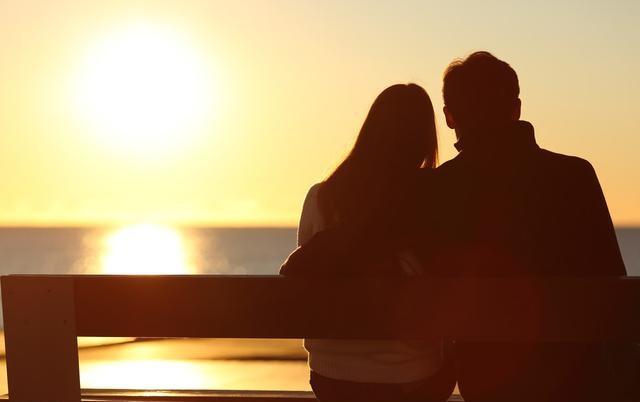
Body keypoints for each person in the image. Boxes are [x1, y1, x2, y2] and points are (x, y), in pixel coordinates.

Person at [415, 51, 628, 402]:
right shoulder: (574, 175)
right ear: (516, 109)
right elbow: (612, 280)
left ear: (450, 117)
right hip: (578, 375)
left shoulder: (439, 188)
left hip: (485, 378)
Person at [284, 84, 455, 402]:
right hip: (412, 377)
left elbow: (309, 275)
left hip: (331, 377)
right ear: (423, 138)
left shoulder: (322, 196)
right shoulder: (433, 196)